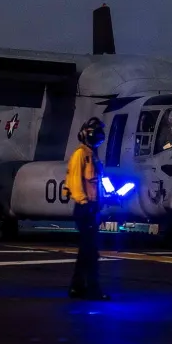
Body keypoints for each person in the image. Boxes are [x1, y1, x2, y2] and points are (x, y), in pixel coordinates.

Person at [63, 116, 110, 300]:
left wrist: (107, 198)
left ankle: (77, 288)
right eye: (96, 132)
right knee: (90, 252)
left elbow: (97, 183)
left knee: (86, 251)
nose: (99, 136)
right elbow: (75, 182)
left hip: (92, 208)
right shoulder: (80, 155)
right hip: (85, 209)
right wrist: (85, 203)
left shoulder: (93, 156)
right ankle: (92, 289)